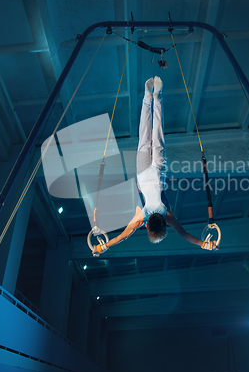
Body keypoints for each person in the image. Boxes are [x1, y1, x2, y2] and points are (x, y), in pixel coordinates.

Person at [92, 76, 218, 255]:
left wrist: (207, 244)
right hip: (143, 171)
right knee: (144, 133)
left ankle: (157, 96)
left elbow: (186, 235)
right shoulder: (139, 220)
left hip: (159, 171)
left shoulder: (168, 217)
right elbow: (121, 237)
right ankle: (147, 97)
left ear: (164, 226)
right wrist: (100, 247)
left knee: (157, 134)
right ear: (147, 227)